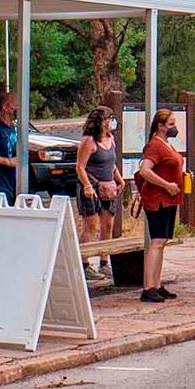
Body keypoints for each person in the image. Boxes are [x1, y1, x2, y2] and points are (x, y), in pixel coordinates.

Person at [135, 108, 185, 303]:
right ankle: (148, 287)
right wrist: (166, 185)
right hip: (158, 200)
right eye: (171, 124)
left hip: (171, 199)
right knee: (156, 242)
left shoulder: (167, 145)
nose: (174, 127)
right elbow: (145, 170)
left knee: (162, 242)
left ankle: (156, 283)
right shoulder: (155, 146)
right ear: (161, 126)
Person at [75, 105, 123, 279]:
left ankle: (104, 261)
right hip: (92, 187)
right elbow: (80, 166)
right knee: (91, 226)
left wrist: (119, 179)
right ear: (102, 121)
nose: (112, 122)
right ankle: (85, 263)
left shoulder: (110, 138)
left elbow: (111, 163)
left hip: (108, 186)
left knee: (108, 225)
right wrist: (87, 186)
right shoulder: (89, 141)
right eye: (110, 118)